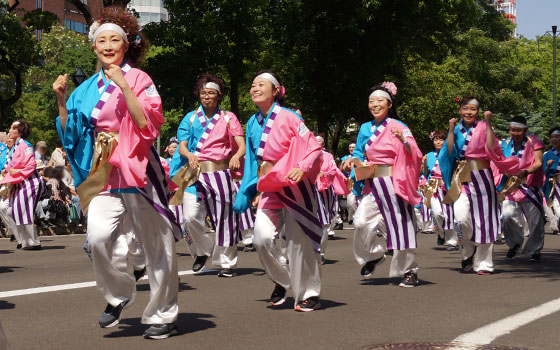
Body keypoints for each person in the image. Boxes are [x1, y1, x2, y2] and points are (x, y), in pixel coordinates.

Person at [52, 7, 180, 339]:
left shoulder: (140, 78)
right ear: (93, 46)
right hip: (104, 170)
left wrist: (124, 84)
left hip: (138, 168)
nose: (108, 45)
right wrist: (63, 103)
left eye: (114, 40)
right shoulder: (85, 89)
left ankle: (163, 313)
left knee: (157, 244)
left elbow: (146, 124)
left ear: (125, 45)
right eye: (101, 40)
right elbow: (71, 136)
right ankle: (119, 294)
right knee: (96, 239)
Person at [233, 70, 324, 311]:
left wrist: (302, 167)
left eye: (261, 84)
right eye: (253, 85)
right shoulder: (252, 122)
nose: (254, 88)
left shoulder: (291, 117)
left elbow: (313, 147)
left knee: (300, 242)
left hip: (295, 184)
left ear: (275, 91)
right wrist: (247, 189)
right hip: (270, 186)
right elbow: (252, 160)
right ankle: (282, 280)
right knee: (261, 238)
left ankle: (310, 292)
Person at [342, 81, 422, 287]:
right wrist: (354, 161)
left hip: (395, 182)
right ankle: (374, 255)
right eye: (371, 101)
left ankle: (410, 271)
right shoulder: (365, 128)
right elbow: (359, 152)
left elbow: (415, 151)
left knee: (402, 226)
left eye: (379, 101)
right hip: (373, 184)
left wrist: (403, 142)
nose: (375, 104)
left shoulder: (399, 126)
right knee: (360, 221)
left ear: (389, 104)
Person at [169, 72, 246, 278]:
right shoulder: (190, 117)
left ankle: (228, 263)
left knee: (225, 218)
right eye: (203, 93)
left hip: (220, 172)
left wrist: (236, 156)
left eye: (211, 93)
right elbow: (182, 147)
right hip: (194, 173)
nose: (206, 96)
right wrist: (189, 155)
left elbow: (241, 145)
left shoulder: (229, 118)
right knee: (190, 216)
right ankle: (203, 251)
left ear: (219, 95)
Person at [438, 96, 512, 275]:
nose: (468, 112)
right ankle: (469, 252)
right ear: (460, 111)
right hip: (462, 177)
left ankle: (484, 263)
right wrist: (450, 130)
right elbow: (448, 151)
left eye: (472, 109)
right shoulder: (456, 129)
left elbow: (491, 147)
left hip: (483, 176)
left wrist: (487, 123)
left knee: (485, 220)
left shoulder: (484, 126)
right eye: (465, 108)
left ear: (478, 112)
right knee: (461, 217)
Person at [492, 116, 545, 262]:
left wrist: (526, 172)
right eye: (512, 130)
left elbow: (539, 162)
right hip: (510, 185)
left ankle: (534, 249)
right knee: (508, 215)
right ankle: (515, 244)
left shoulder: (533, 141)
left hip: (529, 185)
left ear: (525, 130)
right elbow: (501, 160)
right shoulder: (506, 143)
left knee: (535, 220)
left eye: (518, 130)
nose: (515, 133)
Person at [0, 120, 43, 250]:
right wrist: (7, 169)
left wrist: (18, 171)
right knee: (14, 210)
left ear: (20, 131)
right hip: (19, 182)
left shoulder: (26, 145)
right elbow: (13, 164)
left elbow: (31, 165)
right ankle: (25, 241)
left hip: (29, 182)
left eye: (13, 128)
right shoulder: (16, 147)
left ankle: (33, 242)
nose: (10, 130)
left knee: (24, 211)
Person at [422, 129, 458, 250]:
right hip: (433, 187)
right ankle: (442, 233)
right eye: (436, 139)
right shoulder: (429, 156)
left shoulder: (449, 154)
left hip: (446, 186)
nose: (438, 142)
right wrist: (424, 164)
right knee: (437, 213)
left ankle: (451, 241)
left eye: (441, 139)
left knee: (448, 213)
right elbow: (425, 173)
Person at [543, 127, 560, 233]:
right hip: (554, 185)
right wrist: (548, 167)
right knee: (558, 209)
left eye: (557, 137)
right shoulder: (548, 154)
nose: (554, 139)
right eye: (552, 137)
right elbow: (542, 172)